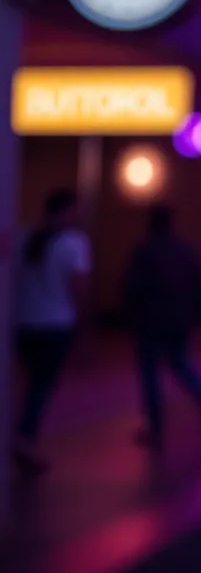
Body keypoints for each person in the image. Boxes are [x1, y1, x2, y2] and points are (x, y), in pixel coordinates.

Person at [122, 204, 201, 447]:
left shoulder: (144, 250)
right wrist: (199, 317)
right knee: (180, 364)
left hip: (150, 320)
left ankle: (155, 426)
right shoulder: (187, 249)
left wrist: (130, 316)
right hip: (180, 319)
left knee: (150, 374)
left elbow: (132, 288)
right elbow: (200, 285)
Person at [13, 189, 90, 473]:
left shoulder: (24, 237)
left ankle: (21, 435)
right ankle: (26, 438)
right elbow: (80, 289)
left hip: (23, 322)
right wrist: (85, 333)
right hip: (56, 324)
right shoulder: (74, 243)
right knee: (40, 387)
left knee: (25, 384)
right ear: (67, 210)